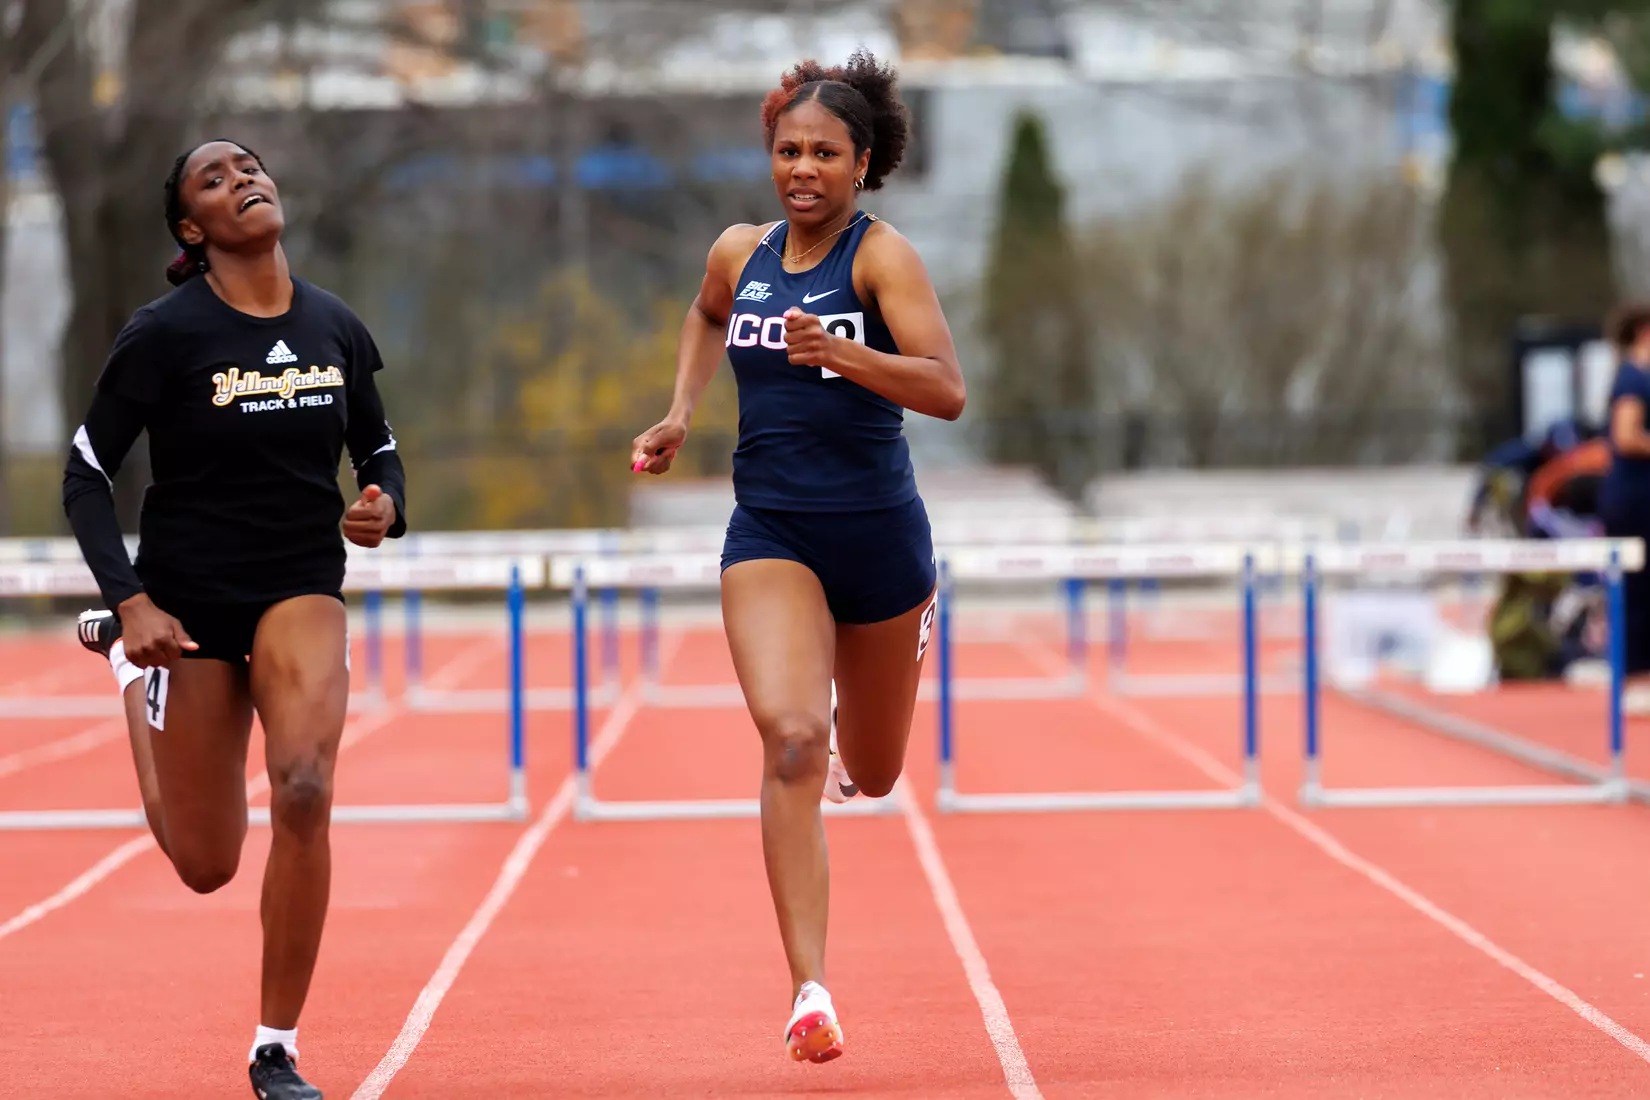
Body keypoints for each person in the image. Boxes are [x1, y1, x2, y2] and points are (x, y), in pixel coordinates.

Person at [630, 49, 965, 1065]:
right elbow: (705, 312)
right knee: (788, 740)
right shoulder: (740, 250)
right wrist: (683, 409)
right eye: (788, 150)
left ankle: (878, 679)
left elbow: (947, 388)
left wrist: (850, 354)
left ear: (862, 165)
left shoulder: (882, 260)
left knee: (873, 766)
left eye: (824, 152)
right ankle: (808, 987)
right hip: (770, 529)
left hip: (879, 543)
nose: (803, 168)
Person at [62, 139, 407, 1100]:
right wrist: (130, 600)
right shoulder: (164, 335)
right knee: (204, 863)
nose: (241, 181)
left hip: (301, 587)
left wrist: (382, 500)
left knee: (302, 788)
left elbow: (376, 446)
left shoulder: (335, 325)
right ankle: (131, 677)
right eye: (213, 180)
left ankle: (274, 1046)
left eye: (249, 167)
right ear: (191, 228)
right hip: (188, 604)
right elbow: (86, 474)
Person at [1600, 303, 1650, 713]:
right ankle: (1633, 678)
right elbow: (1626, 436)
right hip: (1633, 499)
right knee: (1636, 586)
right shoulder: (1631, 378)